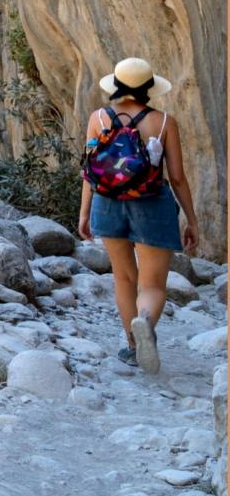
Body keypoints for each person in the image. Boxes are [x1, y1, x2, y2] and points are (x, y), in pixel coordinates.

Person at [77, 56, 200, 373]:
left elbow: (90, 172)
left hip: (107, 203)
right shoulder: (163, 122)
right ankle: (144, 322)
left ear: (115, 85)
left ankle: (133, 345)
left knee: (124, 277)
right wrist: (191, 219)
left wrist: (85, 213)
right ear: (149, 89)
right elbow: (177, 177)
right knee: (153, 285)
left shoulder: (98, 118)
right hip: (152, 205)